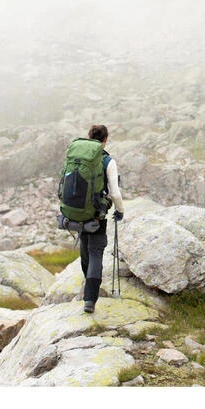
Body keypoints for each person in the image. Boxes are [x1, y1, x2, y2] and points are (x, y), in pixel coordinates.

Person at [80, 124, 124, 313]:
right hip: (97, 214)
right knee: (96, 253)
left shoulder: (79, 157)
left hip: (78, 213)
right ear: (105, 139)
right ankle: (90, 300)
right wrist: (120, 211)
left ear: (89, 137)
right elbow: (115, 193)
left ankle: (88, 287)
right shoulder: (107, 161)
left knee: (85, 252)